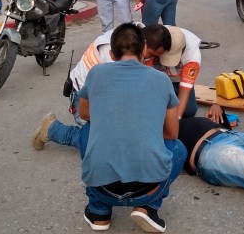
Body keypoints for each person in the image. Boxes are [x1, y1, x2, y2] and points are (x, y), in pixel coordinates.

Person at [72, 23, 186, 233]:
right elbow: (172, 133)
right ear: (144, 49)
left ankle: (99, 212)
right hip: (149, 188)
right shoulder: (162, 79)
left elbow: (86, 114)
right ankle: (148, 207)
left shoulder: (96, 73)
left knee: (88, 131)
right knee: (178, 148)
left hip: (102, 188)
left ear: (112, 54)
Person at [33, 24, 204, 150]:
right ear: (143, 45)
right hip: (86, 100)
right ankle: (54, 129)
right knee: (111, 141)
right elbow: (121, 101)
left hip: (108, 93)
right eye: (151, 56)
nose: (154, 61)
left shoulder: (135, 39)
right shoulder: (115, 53)